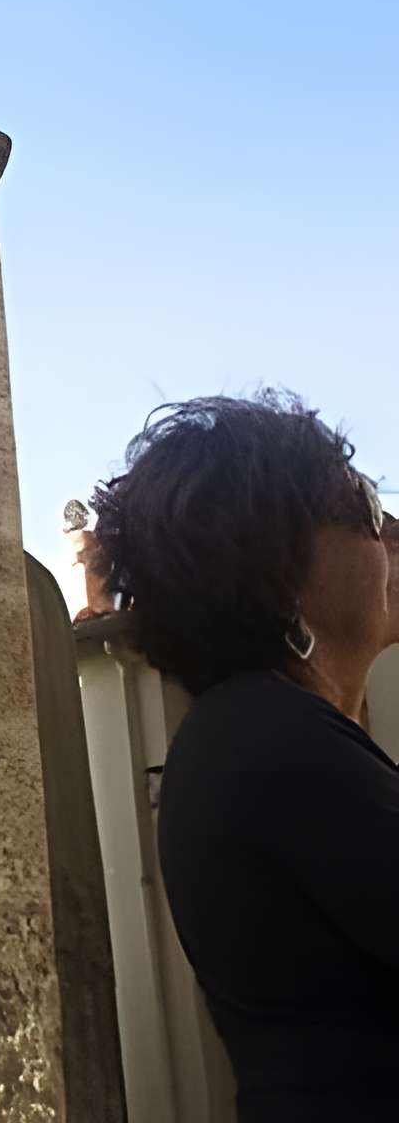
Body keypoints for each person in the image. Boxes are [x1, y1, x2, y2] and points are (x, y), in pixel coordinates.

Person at [87, 392, 399, 1121]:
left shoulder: (250, 734)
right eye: (361, 506)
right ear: (279, 568)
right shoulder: (271, 741)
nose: (387, 535)